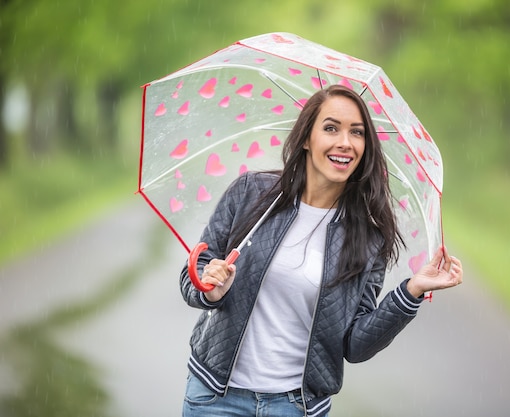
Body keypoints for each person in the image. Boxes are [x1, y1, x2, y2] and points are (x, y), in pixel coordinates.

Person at [179, 84, 463, 417]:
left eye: (356, 133)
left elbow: (355, 346)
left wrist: (411, 292)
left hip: (296, 408)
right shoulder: (250, 193)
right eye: (331, 128)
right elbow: (192, 274)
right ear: (305, 138)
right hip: (216, 398)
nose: (345, 142)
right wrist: (212, 290)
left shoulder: (368, 238)